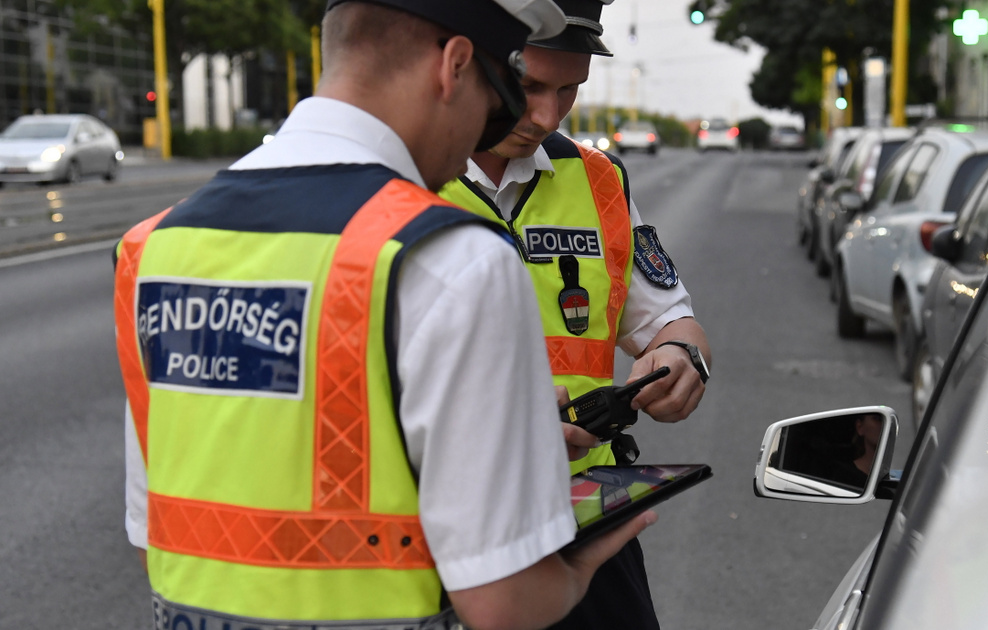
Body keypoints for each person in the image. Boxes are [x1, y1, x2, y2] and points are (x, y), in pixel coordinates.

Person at [113, 1, 655, 629]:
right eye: (500, 95)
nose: (499, 125)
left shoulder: (152, 248)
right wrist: (578, 569)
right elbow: (505, 605)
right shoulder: (454, 258)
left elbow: (155, 530)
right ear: (453, 67)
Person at [439, 1, 711, 628]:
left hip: (581, 517)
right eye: (529, 85)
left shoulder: (597, 180)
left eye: (570, 90)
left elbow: (672, 320)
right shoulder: (395, 180)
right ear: (462, 59)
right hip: (441, 525)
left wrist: (681, 356)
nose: (544, 115)